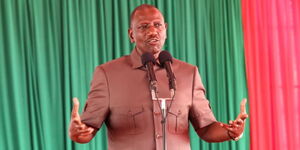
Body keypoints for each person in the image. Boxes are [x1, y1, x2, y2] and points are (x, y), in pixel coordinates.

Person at [68, 4, 248, 150]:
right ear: (132, 34)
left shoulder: (189, 73)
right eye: (144, 26)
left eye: (157, 25)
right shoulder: (107, 74)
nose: (153, 31)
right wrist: (78, 132)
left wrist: (231, 132)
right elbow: (87, 130)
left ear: (165, 29)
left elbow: (206, 128)